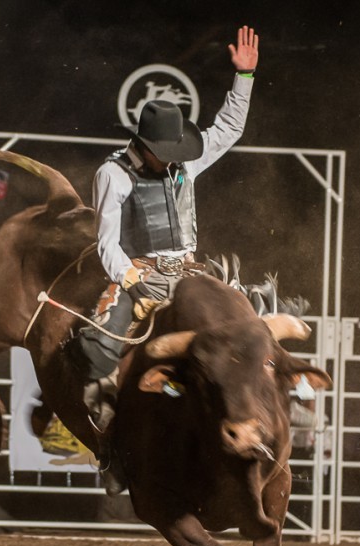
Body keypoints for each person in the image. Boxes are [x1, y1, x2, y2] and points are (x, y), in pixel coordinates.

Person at [79, 26, 259, 492]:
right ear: (147, 146)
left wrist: (245, 76)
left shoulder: (185, 164)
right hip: (142, 272)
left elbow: (229, 130)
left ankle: (263, 417)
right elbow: (107, 243)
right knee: (98, 353)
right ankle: (112, 451)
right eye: (167, 152)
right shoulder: (112, 175)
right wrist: (131, 279)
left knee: (248, 327)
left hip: (192, 271)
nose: (174, 160)